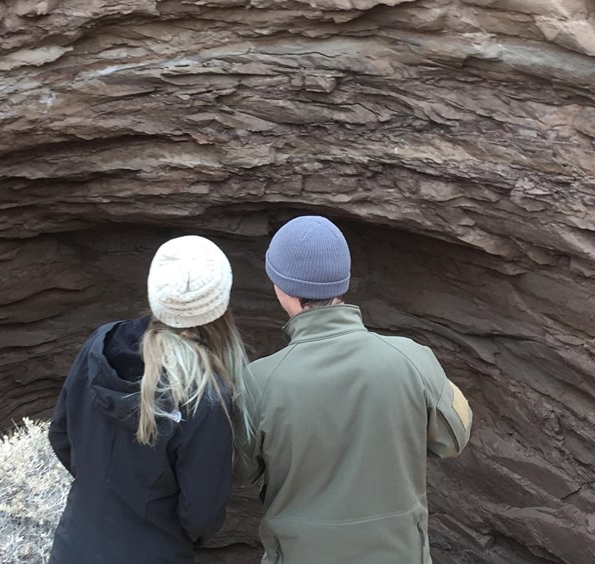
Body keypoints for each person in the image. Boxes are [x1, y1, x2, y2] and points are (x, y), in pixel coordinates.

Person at [243, 215, 473, 563]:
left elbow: (232, 468)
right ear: (343, 281)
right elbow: (455, 436)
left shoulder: (258, 382)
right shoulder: (412, 359)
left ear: (280, 286)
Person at [47, 235, 252, 564]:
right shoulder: (205, 393)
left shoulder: (100, 345)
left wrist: (103, 486)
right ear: (221, 304)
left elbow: (60, 435)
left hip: (74, 547)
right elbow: (201, 512)